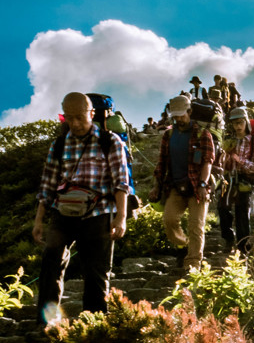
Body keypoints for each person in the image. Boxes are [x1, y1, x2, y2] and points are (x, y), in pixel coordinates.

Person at [33, 91, 131, 325]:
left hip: (99, 213)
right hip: (62, 212)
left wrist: (121, 217)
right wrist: (38, 221)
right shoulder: (58, 145)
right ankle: (46, 325)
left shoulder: (110, 141)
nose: (75, 123)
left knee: (96, 271)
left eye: (80, 117)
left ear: (92, 113)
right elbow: (47, 185)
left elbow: (121, 183)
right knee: (51, 264)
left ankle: (93, 326)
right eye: (69, 118)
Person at [149, 95, 215, 270]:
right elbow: (162, 162)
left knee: (196, 226)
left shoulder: (203, 134)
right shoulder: (168, 135)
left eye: (181, 115)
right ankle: (184, 245)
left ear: (190, 112)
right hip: (175, 186)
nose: (178, 119)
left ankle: (193, 264)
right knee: (169, 220)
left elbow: (208, 161)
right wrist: (157, 185)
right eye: (175, 116)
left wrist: (202, 184)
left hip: (197, 186)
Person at [218, 106, 254, 254]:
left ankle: (243, 246)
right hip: (228, 180)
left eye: (240, 122)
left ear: (246, 122)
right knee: (222, 208)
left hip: (244, 180)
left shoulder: (253, 142)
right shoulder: (228, 141)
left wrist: (240, 160)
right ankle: (228, 239)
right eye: (234, 123)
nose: (237, 126)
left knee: (242, 214)